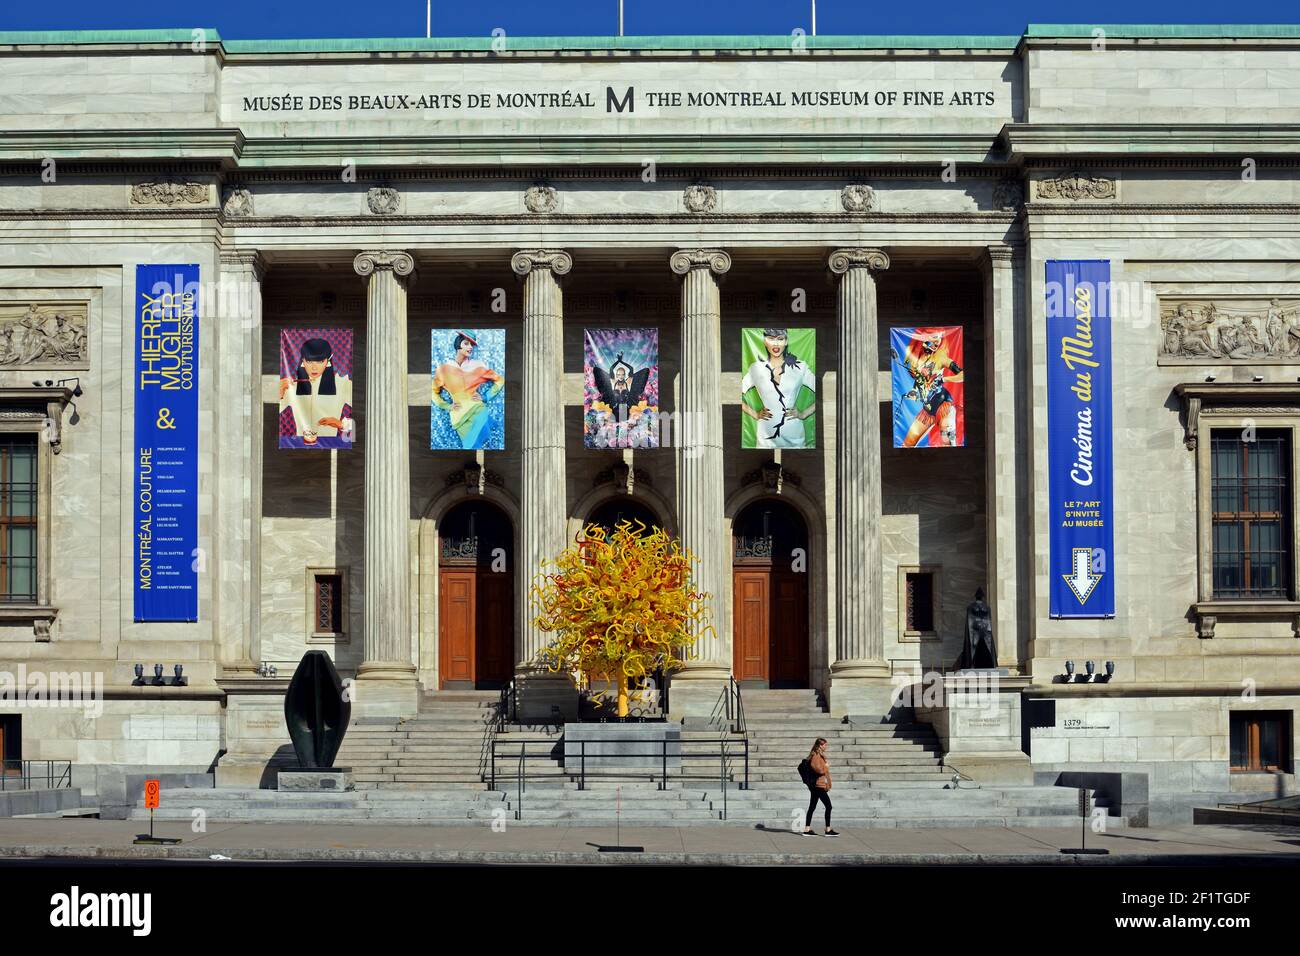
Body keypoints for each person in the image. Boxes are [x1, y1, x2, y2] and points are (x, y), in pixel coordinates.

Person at [741, 328, 816, 448]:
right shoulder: (756, 368)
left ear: (786, 342)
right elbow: (733, 393)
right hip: (765, 438)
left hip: (795, 437)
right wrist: (754, 414)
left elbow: (826, 393)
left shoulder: (800, 367)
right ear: (765, 342)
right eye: (771, 339)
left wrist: (803, 414)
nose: (776, 344)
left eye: (780, 339)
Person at [432, 331, 504, 449]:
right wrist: (447, 406)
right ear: (458, 345)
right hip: (459, 417)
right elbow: (433, 391)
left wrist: (486, 396)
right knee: (469, 447)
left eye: (472, 345)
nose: (470, 347)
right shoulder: (443, 369)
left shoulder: (478, 365)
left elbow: (500, 380)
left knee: (485, 447)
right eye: (466, 343)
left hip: (478, 410)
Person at [278, 337, 352, 447]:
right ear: (302, 361)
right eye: (309, 361)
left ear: (328, 361)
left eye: (320, 361)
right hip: (300, 445)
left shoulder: (342, 384)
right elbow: (272, 413)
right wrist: (278, 392)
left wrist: (342, 424)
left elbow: (365, 413)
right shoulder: (292, 386)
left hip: (330, 445)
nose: (314, 367)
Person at [802, 737, 837, 836]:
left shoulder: (819, 755)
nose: (826, 746)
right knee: (828, 806)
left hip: (818, 785)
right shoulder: (816, 756)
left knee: (812, 806)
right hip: (818, 785)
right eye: (825, 745)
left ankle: (807, 829)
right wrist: (826, 767)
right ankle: (828, 830)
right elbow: (819, 770)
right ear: (820, 746)